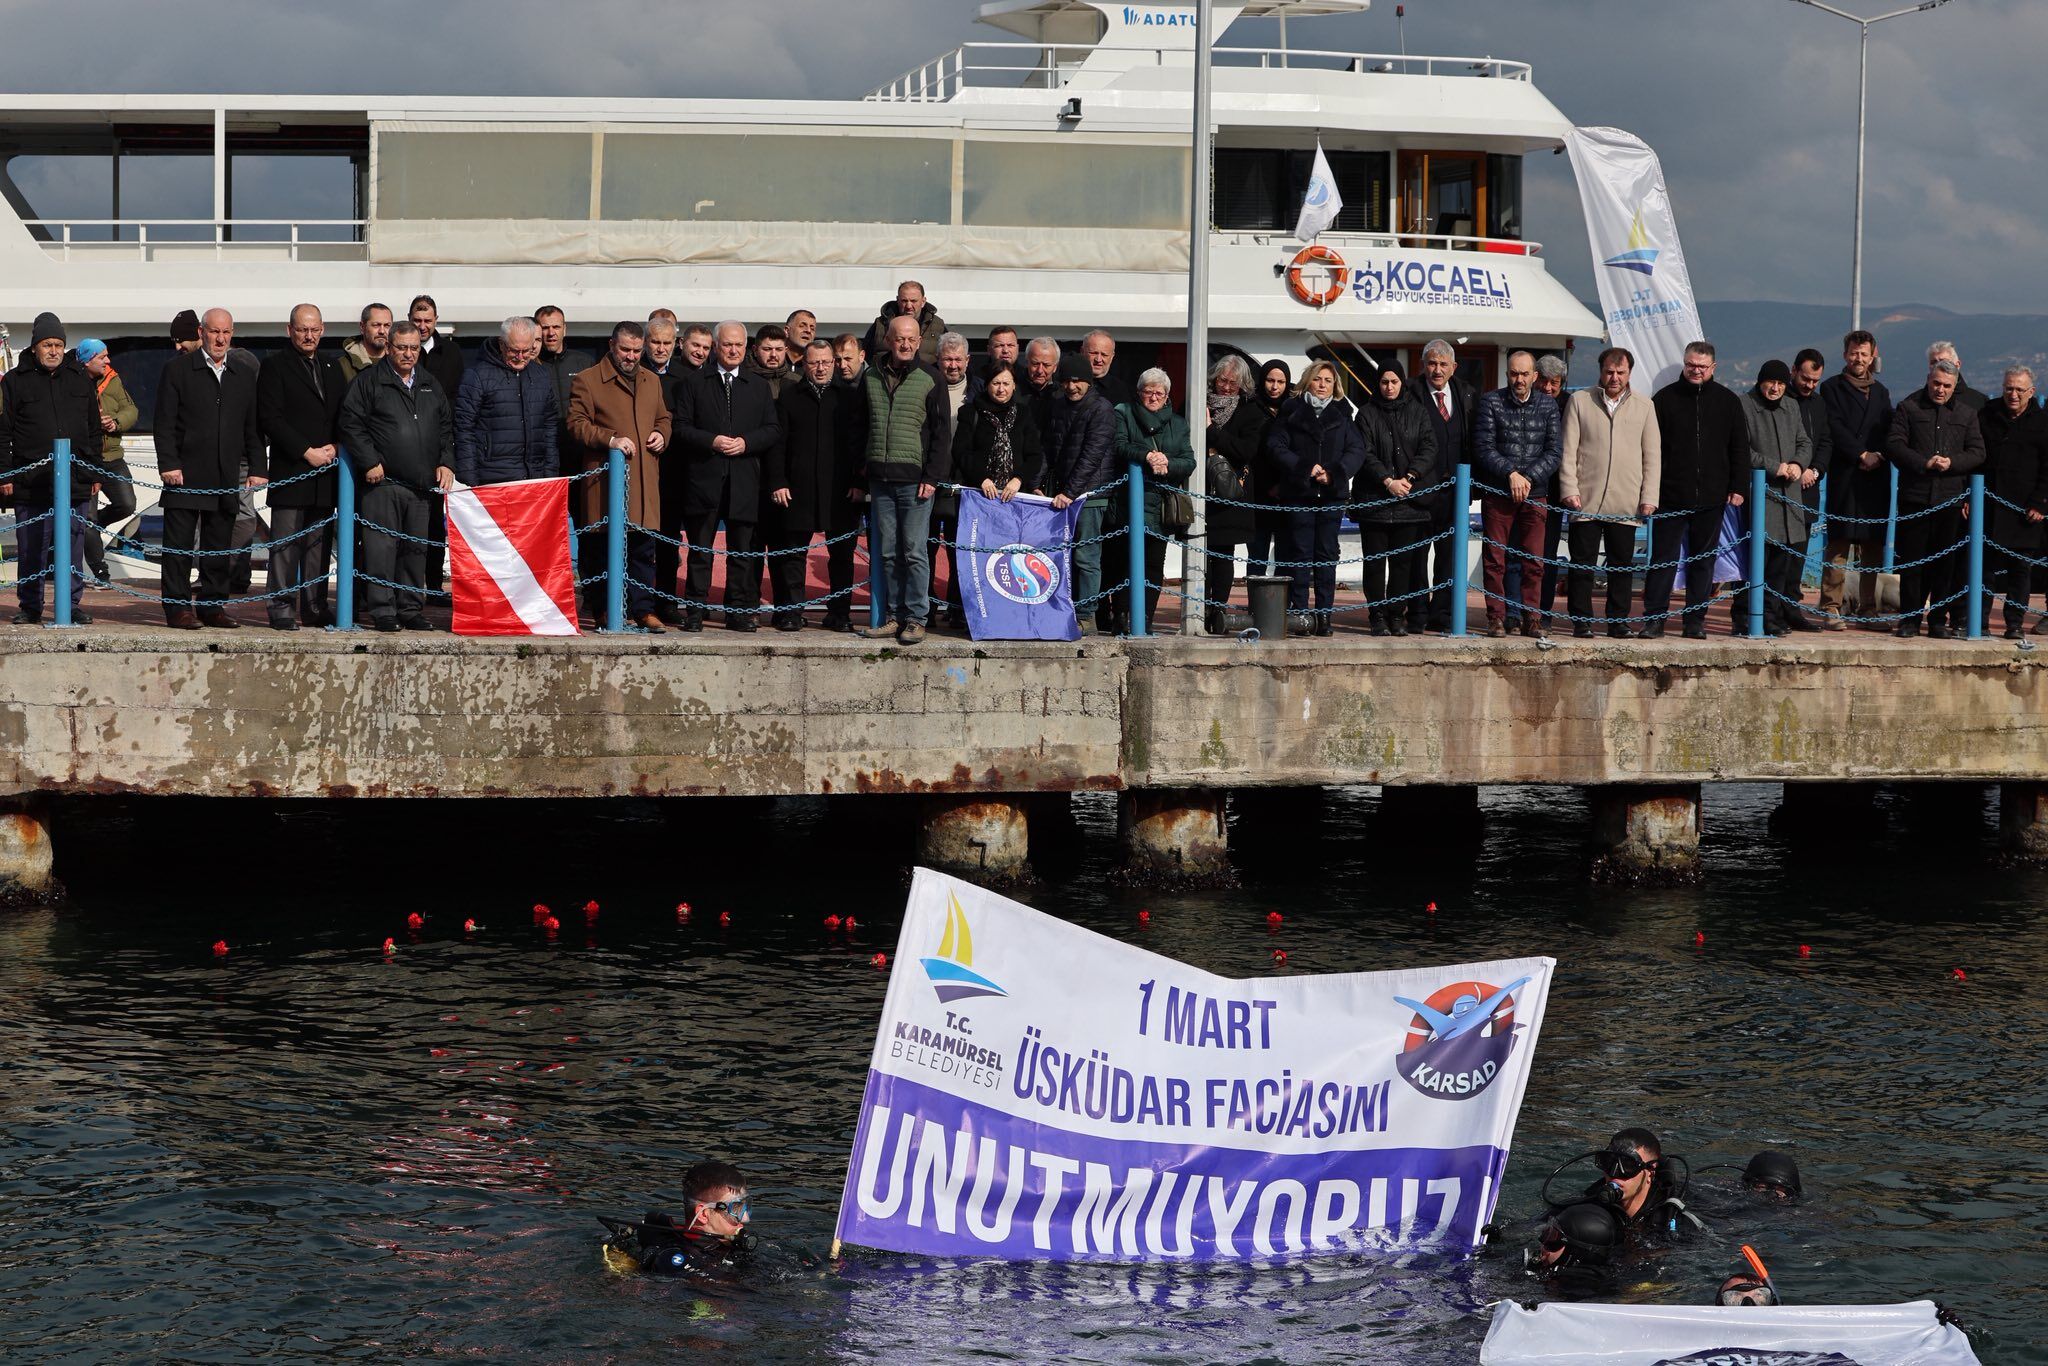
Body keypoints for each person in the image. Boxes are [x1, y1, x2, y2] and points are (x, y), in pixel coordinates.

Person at [339, 320, 455, 632]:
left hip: (420, 486)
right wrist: (369, 460)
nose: (407, 354)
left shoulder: (430, 384)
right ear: (389, 348)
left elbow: (445, 428)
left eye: (413, 348)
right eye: (401, 347)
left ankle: (410, 608)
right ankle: (382, 609)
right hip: (384, 483)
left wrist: (446, 462)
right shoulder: (369, 382)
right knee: (381, 550)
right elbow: (351, 423)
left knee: (415, 551)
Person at [155, 308, 264, 629]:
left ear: (232, 334)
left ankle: (213, 606)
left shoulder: (242, 374)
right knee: (179, 548)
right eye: (214, 332)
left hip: (225, 474)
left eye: (226, 333)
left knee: (218, 546)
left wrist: (259, 466)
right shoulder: (177, 370)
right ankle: (177, 609)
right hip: (185, 473)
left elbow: (252, 426)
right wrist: (169, 464)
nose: (220, 339)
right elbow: (164, 422)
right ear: (202, 332)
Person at [672, 321, 781, 632]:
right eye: (728, 345)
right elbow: (680, 427)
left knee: (742, 553)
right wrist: (711, 441)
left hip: (744, 481)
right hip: (704, 480)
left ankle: (738, 611)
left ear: (746, 349)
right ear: (716, 347)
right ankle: (695, 611)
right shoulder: (695, 383)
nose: (734, 350)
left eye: (739, 345)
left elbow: (772, 430)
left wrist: (747, 443)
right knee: (701, 551)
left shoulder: (758, 386)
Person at [569, 321, 674, 632]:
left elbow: (663, 417)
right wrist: (610, 440)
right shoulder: (588, 380)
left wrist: (661, 434)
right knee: (600, 550)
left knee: (643, 549)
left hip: (643, 482)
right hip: (604, 484)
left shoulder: (651, 381)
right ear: (612, 346)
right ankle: (603, 609)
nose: (631, 356)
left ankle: (643, 610)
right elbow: (576, 423)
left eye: (636, 351)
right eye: (625, 349)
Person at [0, 312, 102, 624]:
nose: (54, 350)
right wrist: (5, 474)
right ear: (35, 347)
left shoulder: (79, 379)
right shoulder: (15, 382)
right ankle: (30, 606)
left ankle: (70, 605)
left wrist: (96, 471)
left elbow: (94, 428)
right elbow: (3, 432)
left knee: (72, 548)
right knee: (33, 546)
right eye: (47, 344)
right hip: (31, 479)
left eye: (59, 344)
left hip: (75, 478)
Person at [854, 313, 948, 644]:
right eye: (899, 338)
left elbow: (941, 436)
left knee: (914, 551)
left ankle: (916, 618)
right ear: (889, 341)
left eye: (911, 339)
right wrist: (862, 471)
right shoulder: (871, 377)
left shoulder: (931, 378)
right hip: (880, 478)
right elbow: (862, 427)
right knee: (888, 552)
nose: (905, 344)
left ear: (919, 342)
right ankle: (893, 617)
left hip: (916, 481)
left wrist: (932, 476)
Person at [1644, 342, 1749, 639]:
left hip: (1712, 497)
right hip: (1670, 496)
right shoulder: (1664, 400)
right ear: (1684, 363)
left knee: (1704, 563)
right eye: (1691, 364)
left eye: (1702, 366)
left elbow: (1739, 447)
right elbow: (1651, 450)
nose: (1696, 370)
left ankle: (1695, 621)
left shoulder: (1728, 401)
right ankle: (1654, 619)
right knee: (1663, 560)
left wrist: (1738, 486)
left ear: (1713, 368)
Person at [255, 303, 345, 631]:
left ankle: (314, 606)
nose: (309, 336)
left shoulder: (333, 368)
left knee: (318, 548)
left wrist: (336, 445)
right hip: (293, 469)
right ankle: (280, 608)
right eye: (302, 329)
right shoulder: (274, 366)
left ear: (322, 330)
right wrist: (306, 451)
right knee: (285, 545)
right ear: (289, 330)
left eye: (314, 329)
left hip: (326, 473)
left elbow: (342, 415)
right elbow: (271, 417)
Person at [1559, 346, 1659, 638]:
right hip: (1585, 498)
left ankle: (1618, 621)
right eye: (1609, 372)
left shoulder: (1645, 406)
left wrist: (1649, 497)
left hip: (1625, 501)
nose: (1614, 378)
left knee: (1621, 567)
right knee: (1582, 565)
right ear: (1600, 371)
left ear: (1629, 373)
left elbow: (1652, 456)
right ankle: (1581, 621)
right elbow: (1568, 450)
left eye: (1620, 372)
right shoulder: (1580, 401)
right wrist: (1569, 488)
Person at [765, 339, 862, 632]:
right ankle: (792, 612)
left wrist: (859, 482)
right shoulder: (789, 395)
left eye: (825, 362)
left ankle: (839, 613)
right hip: (798, 488)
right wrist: (778, 481)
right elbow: (778, 444)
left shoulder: (850, 396)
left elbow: (859, 444)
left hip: (841, 491)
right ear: (803, 365)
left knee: (842, 557)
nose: (820, 368)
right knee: (793, 555)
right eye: (813, 363)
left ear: (834, 363)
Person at [1264, 359, 1365, 636]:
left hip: (1331, 495)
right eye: (1318, 379)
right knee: (1299, 554)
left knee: (1326, 556)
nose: (1322, 385)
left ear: (1335, 386)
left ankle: (1323, 616)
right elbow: (1276, 446)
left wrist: (1334, 473)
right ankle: (1300, 615)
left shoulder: (1343, 414)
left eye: (1328, 381)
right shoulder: (1292, 410)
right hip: (1300, 494)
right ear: (1308, 380)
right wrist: (1304, 467)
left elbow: (1356, 450)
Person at [1887, 357, 1985, 638]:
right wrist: (1923, 463)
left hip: (1950, 500)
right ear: (1928, 379)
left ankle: (1938, 620)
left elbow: (1978, 452)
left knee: (1945, 565)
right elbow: (1894, 444)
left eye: (1946, 386)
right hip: (1915, 499)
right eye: (1936, 383)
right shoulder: (1909, 407)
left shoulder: (1967, 415)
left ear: (1955, 386)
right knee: (1912, 563)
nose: (1940, 390)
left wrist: (1951, 463)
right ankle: (1909, 620)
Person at [1474, 350, 1563, 638]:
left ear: (1535, 376)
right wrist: (1511, 473)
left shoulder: (1548, 406)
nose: (1519, 379)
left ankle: (1532, 619)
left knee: (1534, 562)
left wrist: (1528, 477)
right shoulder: (1491, 402)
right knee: (1495, 559)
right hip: (1499, 492)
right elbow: (1484, 447)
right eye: (1514, 373)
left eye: (1525, 374)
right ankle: (1496, 618)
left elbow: (1554, 452)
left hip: (1535, 494)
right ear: (1507, 374)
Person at [1355, 360, 1440, 636]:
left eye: (1393, 381)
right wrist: (1387, 481)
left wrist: (1410, 477)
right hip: (1375, 500)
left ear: (1402, 382)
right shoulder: (1366, 414)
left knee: (1403, 564)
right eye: (1384, 382)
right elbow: (1365, 452)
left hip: (1408, 501)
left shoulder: (1418, 411)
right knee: (1375, 562)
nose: (1389, 387)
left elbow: (1429, 446)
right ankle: (1376, 615)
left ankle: (1396, 615)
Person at [1818, 330, 1894, 629]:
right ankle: (1831, 606)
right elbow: (1834, 427)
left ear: (1872, 355)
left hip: (1875, 478)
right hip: (1847, 474)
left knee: (1872, 547)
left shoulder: (1882, 392)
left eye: (1863, 353)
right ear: (1845, 354)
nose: (1858, 359)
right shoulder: (1831, 388)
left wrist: (1879, 455)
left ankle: (1868, 608)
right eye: (1853, 353)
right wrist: (1861, 454)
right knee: (1839, 545)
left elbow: (1889, 429)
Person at [1113, 367, 1195, 629]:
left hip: (1160, 507)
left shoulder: (1178, 423)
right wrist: (1148, 456)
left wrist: (1167, 462)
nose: (1153, 397)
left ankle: (1146, 618)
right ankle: (1123, 617)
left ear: (1167, 395)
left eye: (1158, 393)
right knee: (1123, 563)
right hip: (1128, 503)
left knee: (1153, 565)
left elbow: (1189, 461)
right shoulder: (1123, 413)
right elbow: (1119, 445)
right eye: (1148, 392)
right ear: (1139, 393)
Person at [1043, 352, 1118, 630]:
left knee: (1086, 558)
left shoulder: (1102, 409)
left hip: (1090, 496)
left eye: (1077, 381)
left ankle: (1087, 615)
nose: (1071, 386)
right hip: (1061, 495)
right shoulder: (1058, 406)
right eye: (1066, 380)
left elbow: (1092, 455)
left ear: (1088, 381)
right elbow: (1049, 447)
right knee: (1060, 555)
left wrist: (1071, 492)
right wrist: (1039, 483)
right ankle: (1063, 608)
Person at [1742, 359, 1814, 637]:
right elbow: (1742, 449)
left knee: (1780, 566)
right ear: (1760, 381)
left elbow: (1804, 442)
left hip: (1789, 499)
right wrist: (1775, 467)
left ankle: (1772, 617)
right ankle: (1749, 616)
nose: (1775, 388)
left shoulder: (1792, 406)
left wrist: (1798, 463)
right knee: (1754, 563)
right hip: (1761, 497)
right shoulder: (1745, 404)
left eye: (1781, 384)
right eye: (1770, 382)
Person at [1978, 366, 2048, 639]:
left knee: (2021, 572)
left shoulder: (2042, 422)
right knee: (1984, 571)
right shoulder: (1987, 414)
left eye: (2020, 389)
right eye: (2009, 388)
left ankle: (2014, 625)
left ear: (2031, 392)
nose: (2014, 394)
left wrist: (2041, 504)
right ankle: (1980, 622)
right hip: (1990, 505)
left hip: (2025, 511)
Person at [1203, 354, 1270, 633]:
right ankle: (1196, 607)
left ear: (1243, 385)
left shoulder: (1251, 412)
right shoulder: (1198, 402)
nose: (1226, 387)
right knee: (1198, 551)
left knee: (1223, 554)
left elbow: (1246, 451)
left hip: (1231, 494)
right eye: (1222, 380)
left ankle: (1216, 611)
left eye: (1233, 382)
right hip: (1200, 490)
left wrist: (1212, 431)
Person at [453, 316, 559, 488]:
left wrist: (550, 474)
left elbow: (549, 427)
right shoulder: (477, 375)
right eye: (514, 351)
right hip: (491, 478)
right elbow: (464, 429)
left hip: (535, 477)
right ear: (502, 344)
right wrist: (469, 481)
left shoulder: (541, 375)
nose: (520, 357)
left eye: (526, 351)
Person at [600, 1160, 755, 1277]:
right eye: (736, 1209)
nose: (746, 1218)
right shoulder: (675, 1260)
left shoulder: (733, 1245)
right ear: (703, 1214)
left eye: (746, 1207)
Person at [1506, 355, 1570, 631]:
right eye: (1543, 380)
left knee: (1544, 557)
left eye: (1553, 383)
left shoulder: (1570, 405)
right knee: (1513, 555)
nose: (1547, 387)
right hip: (1518, 489)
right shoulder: (1519, 401)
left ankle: (1541, 612)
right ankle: (1513, 611)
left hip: (1552, 493)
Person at [1416, 342, 1475, 634]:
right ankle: (1416, 611)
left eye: (1442, 364)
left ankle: (1441, 613)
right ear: (1423, 365)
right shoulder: (1411, 392)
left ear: (1453, 367)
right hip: (1421, 491)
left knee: (1448, 556)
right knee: (1416, 554)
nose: (1436, 370)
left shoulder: (1465, 393)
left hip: (1455, 491)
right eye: (1431, 363)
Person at [74, 338, 139, 586]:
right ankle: (100, 571)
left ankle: (93, 527)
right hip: (85, 459)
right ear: (88, 360)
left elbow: (131, 409)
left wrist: (115, 421)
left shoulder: (112, 379)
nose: (108, 361)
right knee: (87, 517)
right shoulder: (73, 382)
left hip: (112, 456)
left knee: (126, 504)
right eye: (103, 357)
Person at [930, 332, 976, 630]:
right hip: (932, 480)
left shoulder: (979, 391)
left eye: (958, 359)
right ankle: (928, 606)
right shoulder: (928, 387)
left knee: (961, 549)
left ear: (967, 361)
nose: (953, 365)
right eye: (948, 359)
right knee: (925, 548)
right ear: (938, 360)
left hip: (965, 483)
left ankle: (959, 607)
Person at [951, 360, 1043, 509]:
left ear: (1014, 386)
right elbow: (961, 451)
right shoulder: (970, 412)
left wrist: (1018, 479)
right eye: (996, 383)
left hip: (1014, 497)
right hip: (978, 495)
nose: (1001, 389)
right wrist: (982, 479)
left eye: (1006, 384)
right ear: (987, 385)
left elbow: (1034, 456)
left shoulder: (1023, 414)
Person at [1786, 348, 1832, 627]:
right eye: (1805, 379)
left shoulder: (1819, 404)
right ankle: (1770, 609)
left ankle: (1792, 608)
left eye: (1815, 381)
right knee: (1777, 554)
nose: (1809, 385)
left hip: (1809, 489)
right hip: (1783, 488)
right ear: (1793, 371)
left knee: (1798, 554)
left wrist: (1814, 470)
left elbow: (1826, 441)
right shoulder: (1782, 400)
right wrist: (1796, 469)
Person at [1250, 359, 1293, 580]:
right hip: (1258, 493)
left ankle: (1282, 608)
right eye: (1270, 380)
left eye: (1280, 381)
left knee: (1286, 556)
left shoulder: (1294, 410)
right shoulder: (1250, 407)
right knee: (1257, 555)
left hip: (1287, 494)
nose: (1275, 387)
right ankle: (1256, 607)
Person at [1525, 1199, 1623, 1281]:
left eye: (1553, 1243)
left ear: (1576, 1254)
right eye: (1548, 1234)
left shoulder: (1568, 1289)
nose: (1543, 1247)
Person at [865, 280, 945, 364]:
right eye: (904, 301)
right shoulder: (880, 324)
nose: (909, 306)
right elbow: (865, 353)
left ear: (923, 301)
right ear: (897, 300)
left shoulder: (938, 326)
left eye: (913, 301)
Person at [1081, 329, 1135, 409]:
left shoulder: (1121, 390)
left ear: (1112, 356)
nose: (1098, 359)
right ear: (1082, 352)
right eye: (1093, 353)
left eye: (1104, 355)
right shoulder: (1068, 384)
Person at [338, 302, 392, 382]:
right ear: (362, 327)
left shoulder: (399, 361)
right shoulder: (343, 365)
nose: (382, 331)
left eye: (387, 325)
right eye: (376, 325)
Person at [1023, 337, 1064, 439]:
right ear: (1026, 362)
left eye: (1046, 365)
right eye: (1035, 363)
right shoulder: (1011, 390)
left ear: (1055, 367)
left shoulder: (1064, 394)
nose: (1040, 370)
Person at [747, 324, 790, 400]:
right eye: (767, 349)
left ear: (786, 351)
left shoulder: (796, 382)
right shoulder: (742, 380)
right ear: (755, 350)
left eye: (779, 349)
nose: (773, 355)